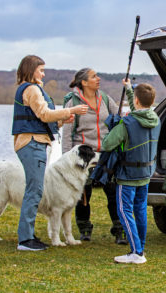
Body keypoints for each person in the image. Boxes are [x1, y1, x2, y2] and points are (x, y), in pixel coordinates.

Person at [12, 55, 88, 251]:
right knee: (35, 190)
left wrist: (62, 120)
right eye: (41, 70)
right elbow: (44, 114)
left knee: (35, 189)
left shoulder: (30, 89)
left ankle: (28, 235)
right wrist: (70, 111)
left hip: (34, 142)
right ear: (31, 70)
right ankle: (25, 239)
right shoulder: (32, 89)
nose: (43, 74)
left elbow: (42, 120)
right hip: (32, 143)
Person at [62, 68, 127, 244]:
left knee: (113, 192)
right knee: (83, 194)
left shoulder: (105, 98)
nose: (98, 79)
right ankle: (84, 228)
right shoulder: (73, 103)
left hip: (106, 155)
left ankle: (119, 230)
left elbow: (120, 117)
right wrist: (67, 160)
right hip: (82, 157)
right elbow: (67, 133)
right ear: (84, 82)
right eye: (94, 76)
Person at [101, 79, 160, 264]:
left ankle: (136, 252)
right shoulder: (155, 119)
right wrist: (128, 89)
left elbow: (107, 144)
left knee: (124, 211)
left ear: (135, 101)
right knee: (140, 210)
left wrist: (114, 126)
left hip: (127, 176)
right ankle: (140, 247)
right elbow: (138, 113)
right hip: (146, 174)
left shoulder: (126, 123)